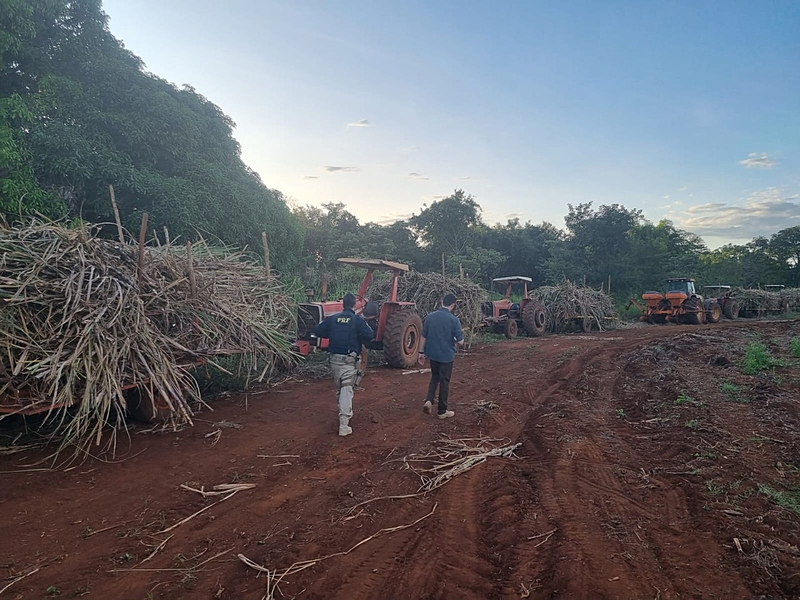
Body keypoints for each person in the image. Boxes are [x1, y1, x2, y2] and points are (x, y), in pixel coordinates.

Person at [314, 293, 375, 436]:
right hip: (348, 362)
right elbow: (369, 336)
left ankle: (344, 412)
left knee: (340, 390)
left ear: (343, 304)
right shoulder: (357, 320)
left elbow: (318, 330)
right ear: (354, 305)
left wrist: (333, 332)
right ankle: (343, 425)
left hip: (334, 361)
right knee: (347, 390)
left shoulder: (333, 319)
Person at [418, 293, 464, 419]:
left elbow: (423, 336)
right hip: (446, 356)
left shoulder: (430, 317)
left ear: (442, 302)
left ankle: (429, 400)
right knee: (444, 381)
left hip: (433, 354)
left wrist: (421, 353)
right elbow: (460, 342)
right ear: (453, 305)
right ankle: (442, 411)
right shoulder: (454, 320)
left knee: (434, 377)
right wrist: (456, 339)